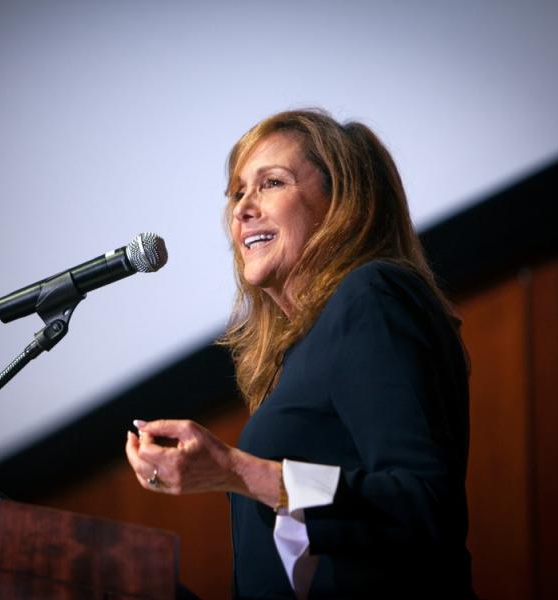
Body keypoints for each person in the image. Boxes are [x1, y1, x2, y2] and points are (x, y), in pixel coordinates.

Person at [124, 108, 474, 599]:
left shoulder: (371, 295)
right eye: (237, 192)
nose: (242, 208)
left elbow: (423, 507)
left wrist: (239, 470)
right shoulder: (296, 360)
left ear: (340, 203)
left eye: (271, 183)